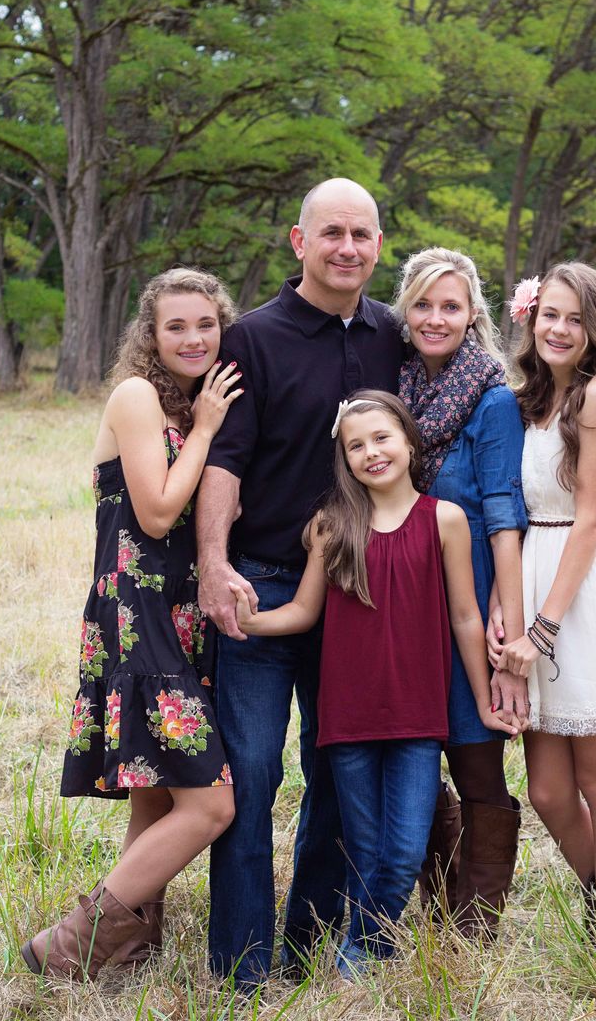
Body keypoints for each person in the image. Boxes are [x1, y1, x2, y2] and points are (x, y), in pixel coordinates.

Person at [229, 391, 518, 977]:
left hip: (417, 715)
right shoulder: (332, 527)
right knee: (364, 851)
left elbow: (465, 616)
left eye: (382, 438)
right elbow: (305, 612)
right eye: (356, 445)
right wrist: (249, 620)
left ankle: (357, 949)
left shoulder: (445, 519)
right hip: (349, 718)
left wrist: (486, 693)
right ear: (344, 459)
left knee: (406, 849)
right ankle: (368, 955)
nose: (371, 452)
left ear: (410, 442)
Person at [196, 179, 404, 988]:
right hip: (261, 580)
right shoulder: (253, 336)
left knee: (338, 771)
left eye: (361, 234)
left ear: (378, 245)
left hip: (356, 591)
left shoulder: (392, 332)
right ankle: (242, 966)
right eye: (332, 234)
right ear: (298, 241)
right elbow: (227, 458)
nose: (347, 247)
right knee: (252, 775)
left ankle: (311, 943)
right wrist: (215, 566)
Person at [21, 268, 242, 980]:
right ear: (149, 335)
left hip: (184, 613)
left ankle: (130, 942)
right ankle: (71, 943)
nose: (193, 337)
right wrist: (207, 429)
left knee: (156, 783)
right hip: (138, 612)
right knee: (211, 805)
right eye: (175, 326)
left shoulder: (196, 403)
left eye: (205, 324)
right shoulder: (139, 396)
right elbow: (155, 512)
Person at [490, 262, 596, 935]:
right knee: (547, 791)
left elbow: (590, 517)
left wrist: (543, 629)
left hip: (578, 593)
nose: (559, 329)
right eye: (549, 314)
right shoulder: (532, 399)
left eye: (574, 318)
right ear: (530, 318)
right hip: (531, 571)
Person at [393, 248, 528, 939]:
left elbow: (505, 512)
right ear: (405, 311)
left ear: (473, 313)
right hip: (403, 605)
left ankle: (477, 923)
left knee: (477, 762)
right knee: (413, 762)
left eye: (450, 305)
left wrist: (510, 611)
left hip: (472, 600)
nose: (435, 318)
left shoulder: (493, 398)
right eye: (423, 304)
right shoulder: (397, 390)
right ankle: (440, 896)